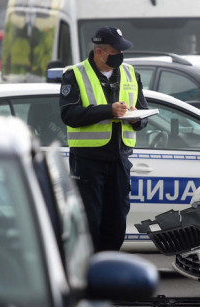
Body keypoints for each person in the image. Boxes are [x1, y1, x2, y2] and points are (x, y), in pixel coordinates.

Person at [60, 26, 148, 252]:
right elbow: (69, 115)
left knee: (117, 222)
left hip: (120, 160)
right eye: (115, 51)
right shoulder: (75, 74)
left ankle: (108, 269)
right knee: (90, 223)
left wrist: (135, 119)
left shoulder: (131, 73)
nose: (120, 55)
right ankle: (88, 274)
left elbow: (143, 113)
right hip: (88, 161)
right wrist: (108, 111)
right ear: (100, 52)